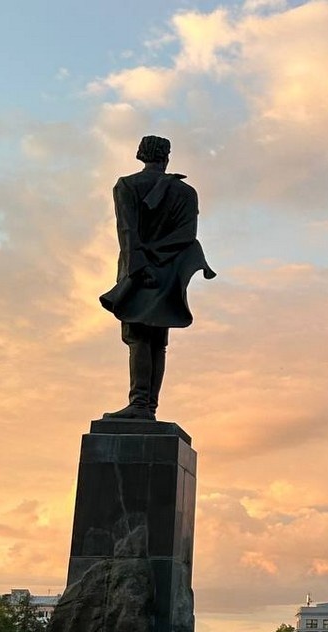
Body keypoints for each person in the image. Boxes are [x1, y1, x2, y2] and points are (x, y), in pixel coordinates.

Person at [99, 134, 216, 421]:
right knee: (158, 339)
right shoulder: (187, 193)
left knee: (138, 336)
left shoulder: (127, 185)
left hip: (138, 270)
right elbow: (187, 236)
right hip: (168, 270)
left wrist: (139, 268)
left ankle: (140, 404)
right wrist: (160, 262)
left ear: (140, 154)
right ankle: (147, 406)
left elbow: (127, 231)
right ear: (166, 157)